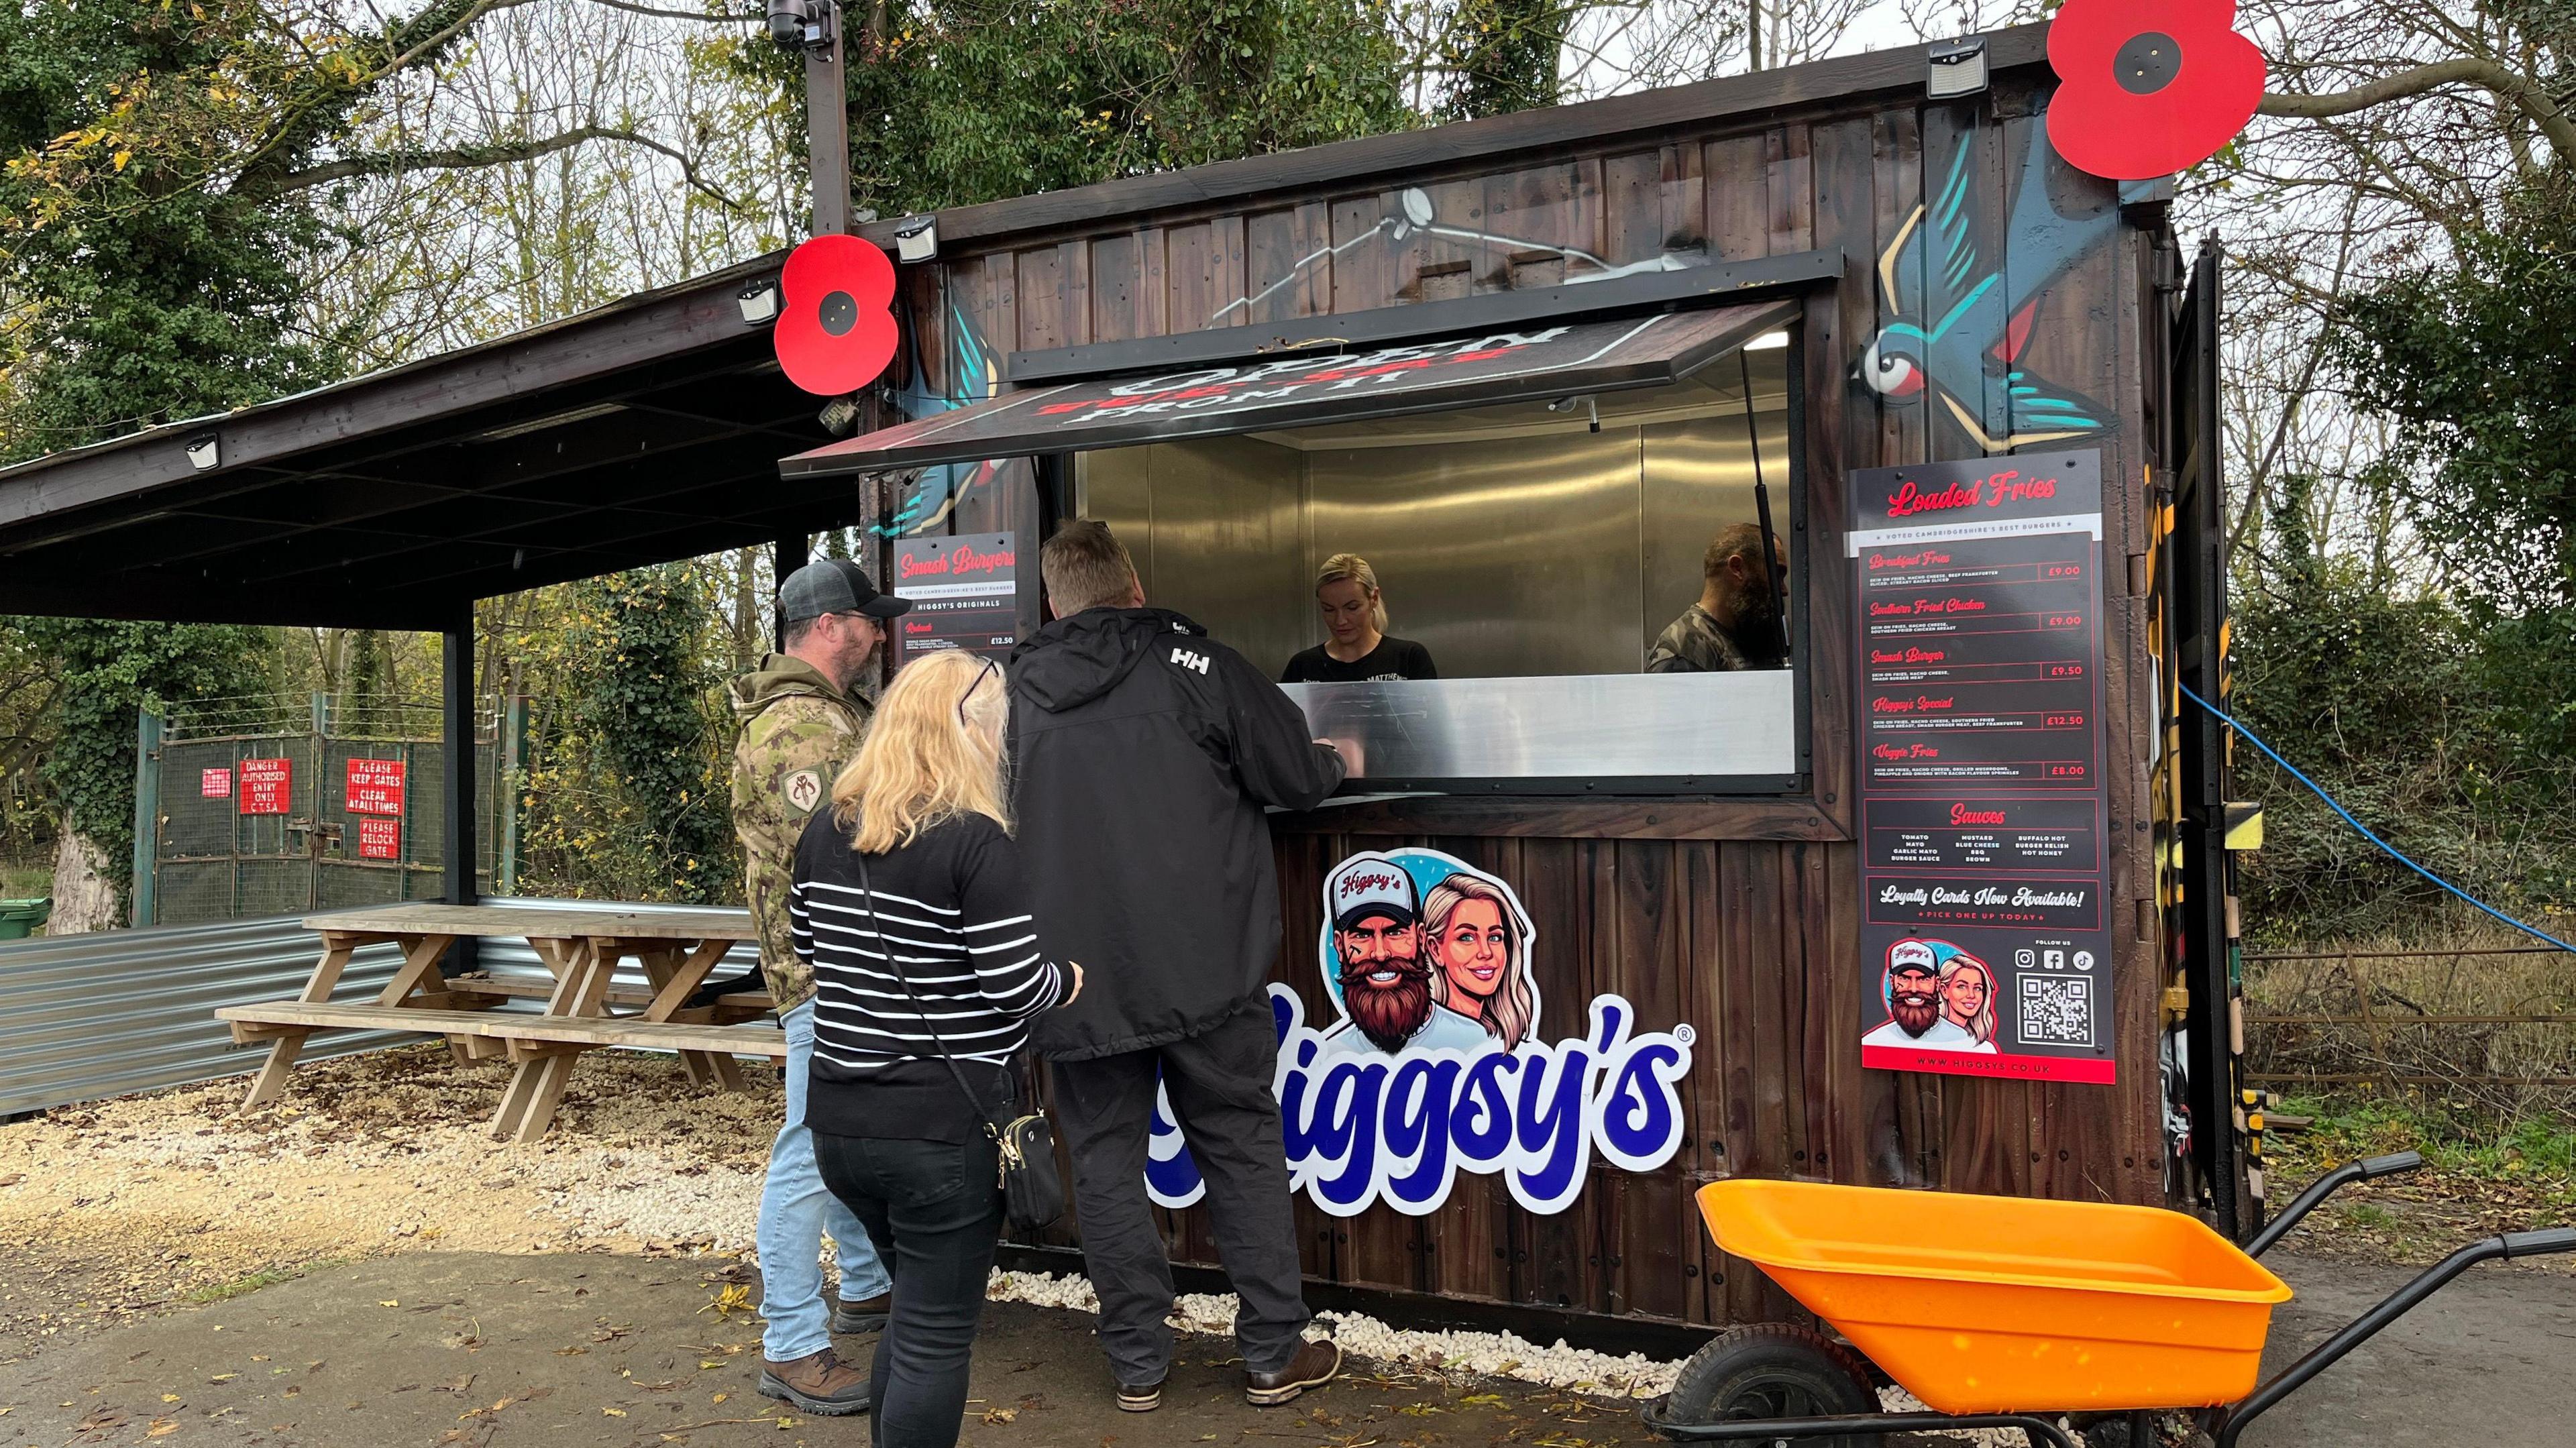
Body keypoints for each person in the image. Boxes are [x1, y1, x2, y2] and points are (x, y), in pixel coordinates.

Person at [1008, 519, 1349, 1412]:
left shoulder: (1006, 694)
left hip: (1073, 982)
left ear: (1053, 601)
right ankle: (1275, 1351)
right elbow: (1296, 779)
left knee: (1107, 1160)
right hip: (1207, 973)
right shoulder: (1199, 668)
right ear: (1134, 584)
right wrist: (1336, 760)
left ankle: (1136, 1361)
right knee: (1238, 1145)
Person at [794, 648, 1079, 1448]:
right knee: (932, 1332)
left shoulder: (824, 831)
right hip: (943, 1132)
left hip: (841, 1124)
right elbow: (1016, 986)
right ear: (971, 731)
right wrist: (1069, 980)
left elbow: (808, 947)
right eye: (998, 727)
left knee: (913, 1314)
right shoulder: (975, 840)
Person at [731, 559, 907, 1415]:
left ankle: (868, 1287)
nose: (881, 633)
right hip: (827, 975)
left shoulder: (826, 715)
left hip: (833, 970)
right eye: (871, 620)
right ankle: (793, 1341)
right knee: (807, 1145)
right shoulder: (804, 728)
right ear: (833, 625)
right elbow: (842, 858)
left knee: (835, 1135)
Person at [1316, 853, 1492, 1058]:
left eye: (1395, 933)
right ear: (1340, 945)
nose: (1380, 953)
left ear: (1421, 937)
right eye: (1363, 935)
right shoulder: (1330, 1056)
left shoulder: (1472, 1041)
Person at [1646, 522, 1788, 673]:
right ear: (1737, 568)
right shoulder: (1686, 649)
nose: (1784, 590)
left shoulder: (1753, 638)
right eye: (1775, 574)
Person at [1421, 871, 1537, 1050]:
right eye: (1467, 937)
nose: (1486, 952)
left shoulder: (1506, 1044)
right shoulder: (1419, 1043)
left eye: (1495, 937)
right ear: (1435, 949)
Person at [1280, 553, 1438, 683]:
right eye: (1329, 610)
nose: (1340, 620)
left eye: (1352, 608)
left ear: (1374, 598)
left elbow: (1431, 719)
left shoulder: (1408, 658)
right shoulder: (1302, 666)